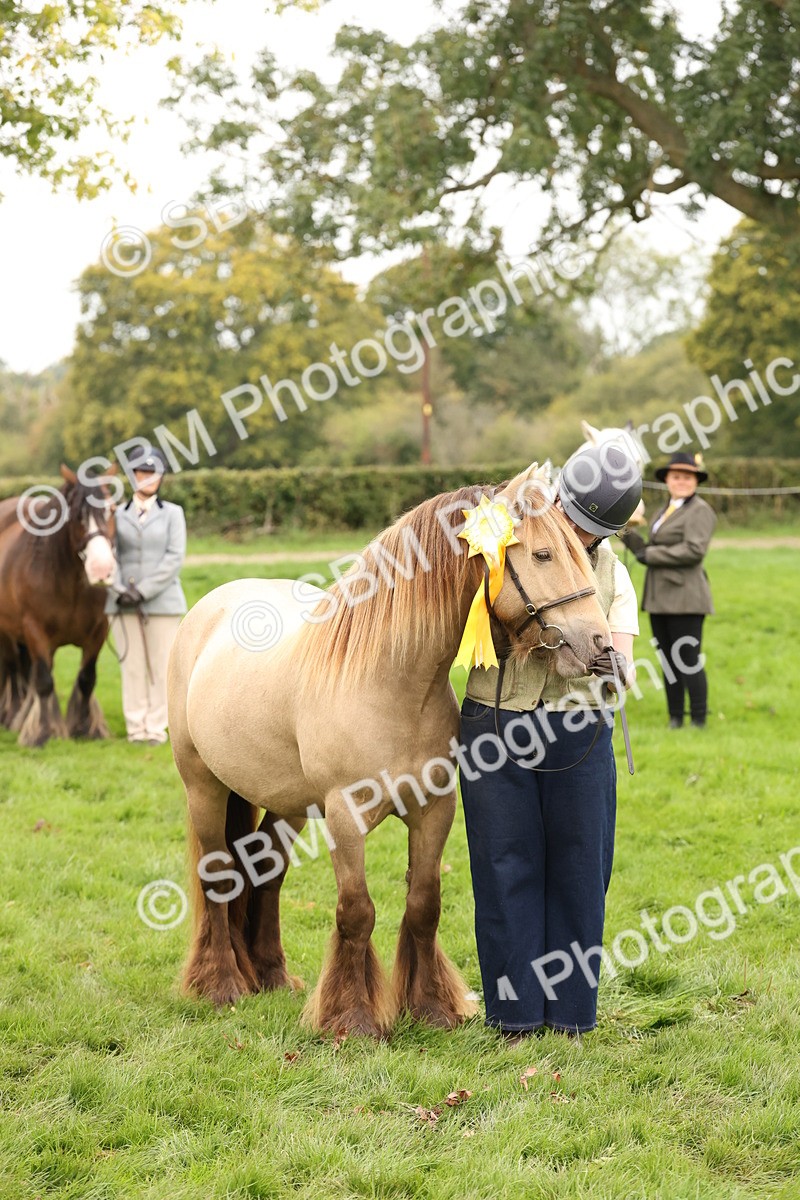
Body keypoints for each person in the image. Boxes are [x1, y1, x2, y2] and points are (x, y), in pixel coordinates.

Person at [459, 444, 642, 1039]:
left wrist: (613, 663)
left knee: (581, 867)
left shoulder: (613, 570)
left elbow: (626, 657)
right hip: (495, 718)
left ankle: (569, 1015)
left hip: (578, 729)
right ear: (558, 495)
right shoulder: (499, 534)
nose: (581, 540)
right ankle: (513, 1015)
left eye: (595, 534)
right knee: (503, 864)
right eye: (576, 523)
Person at [619, 451, 716, 730]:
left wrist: (650, 554)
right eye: (676, 476)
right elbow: (649, 549)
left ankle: (698, 719)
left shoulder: (701, 511)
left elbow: (694, 550)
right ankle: (675, 718)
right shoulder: (666, 508)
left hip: (686, 598)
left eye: (687, 477)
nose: (681, 481)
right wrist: (626, 534)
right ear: (668, 480)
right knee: (667, 660)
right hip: (659, 597)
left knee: (688, 660)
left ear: (695, 480)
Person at [107, 446, 187, 745]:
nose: (148, 477)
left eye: (154, 472)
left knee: (161, 665)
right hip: (122, 602)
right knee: (133, 666)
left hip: (162, 602)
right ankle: (135, 728)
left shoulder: (173, 514)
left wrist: (142, 591)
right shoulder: (116, 514)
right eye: (142, 472)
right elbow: (107, 553)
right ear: (133, 476)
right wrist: (119, 589)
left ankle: (155, 727)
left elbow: (174, 558)